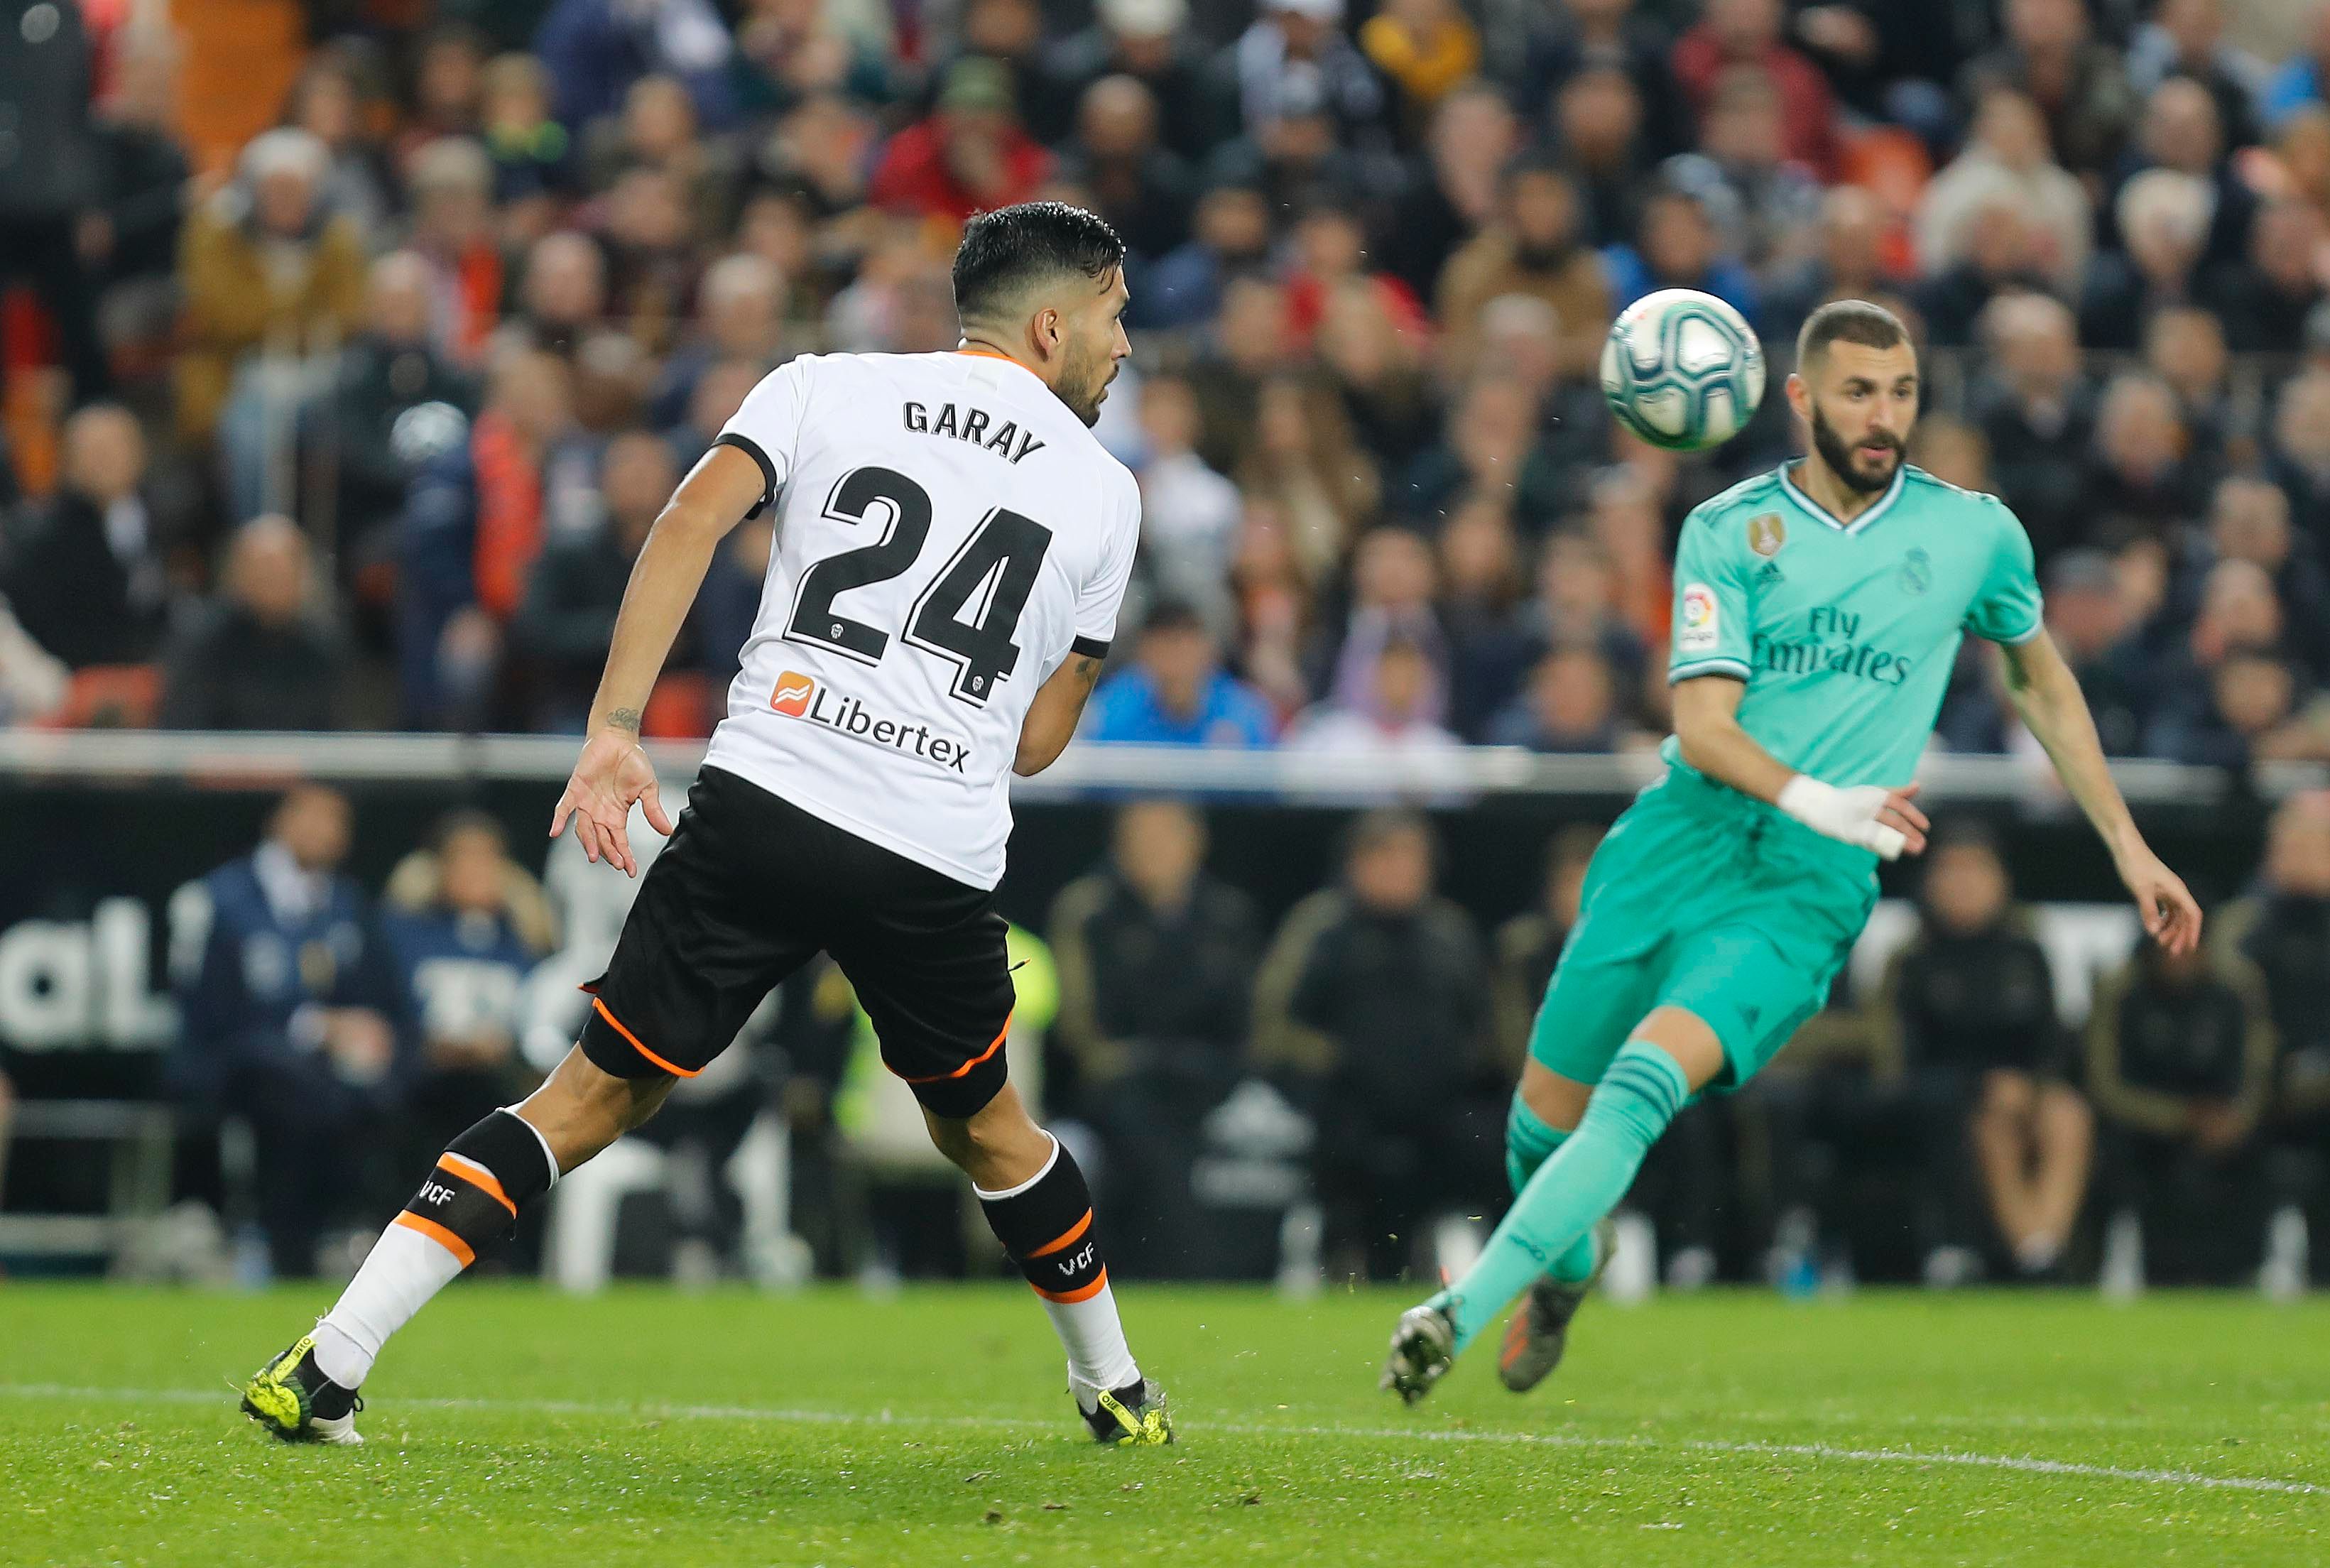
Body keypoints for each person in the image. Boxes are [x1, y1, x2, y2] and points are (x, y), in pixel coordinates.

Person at [241, 202, 1171, 1449]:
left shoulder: (824, 384)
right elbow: (1037, 743)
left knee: (587, 1095)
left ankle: (330, 1359)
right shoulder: (1105, 494)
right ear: (1053, 322)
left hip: (767, 801)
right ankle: (1111, 1385)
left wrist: (617, 726)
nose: (1125, 346)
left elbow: (685, 523)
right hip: (926, 851)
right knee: (987, 1128)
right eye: (1114, 316)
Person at [1382, 299, 2202, 1403]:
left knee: (1640, 1087)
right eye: (1860, 392)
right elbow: (1708, 727)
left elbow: (2039, 677)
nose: (1885, 415)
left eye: (1903, 391)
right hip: (1678, 843)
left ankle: (1453, 1312)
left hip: (1801, 889)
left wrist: (2128, 845)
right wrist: (1820, 795)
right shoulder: (1728, 529)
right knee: (1538, 1135)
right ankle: (1568, 1274)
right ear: (1804, 399)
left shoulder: (1974, 534)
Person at [171, 786, 410, 1278]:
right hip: (236, 1058)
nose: (328, 833)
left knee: (388, 1087)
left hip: (324, 1069)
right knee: (290, 1087)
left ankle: (360, 1235)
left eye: (338, 822)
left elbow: (377, 993)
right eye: (316, 818)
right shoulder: (224, 899)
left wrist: (368, 1029)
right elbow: (208, 1007)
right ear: (280, 821)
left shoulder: (345, 904)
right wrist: (314, 1026)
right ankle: (289, 1247)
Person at [1879, 825, 2090, 1282]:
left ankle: (2046, 1245)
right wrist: (1983, 1085)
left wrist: (2031, 1086)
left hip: (2029, 1092)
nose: (1963, 883)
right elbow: (1902, 1054)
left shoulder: (2027, 952)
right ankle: (2035, 1255)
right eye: (1951, 871)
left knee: (2067, 1115)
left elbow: (2054, 1040)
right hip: (1955, 1101)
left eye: (1975, 870)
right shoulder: (1914, 958)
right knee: (1994, 1128)